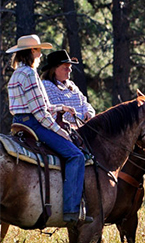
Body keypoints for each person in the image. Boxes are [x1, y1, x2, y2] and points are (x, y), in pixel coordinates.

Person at [6, 35, 91, 224]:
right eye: (38, 50)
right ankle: (71, 209)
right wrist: (59, 131)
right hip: (33, 123)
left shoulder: (17, 73)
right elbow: (39, 112)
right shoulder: (29, 73)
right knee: (75, 155)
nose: (40, 53)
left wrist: (60, 108)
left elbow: (34, 105)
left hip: (20, 120)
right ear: (32, 52)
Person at [41, 49, 95, 125]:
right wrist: (83, 117)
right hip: (63, 130)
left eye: (70, 67)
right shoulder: (47, 86)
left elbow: (85, 103)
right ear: (54, 70)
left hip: (81, 127)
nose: (69, 70)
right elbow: (58, 113)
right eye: (65, 68)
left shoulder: (71, 85)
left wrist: (89, 112)